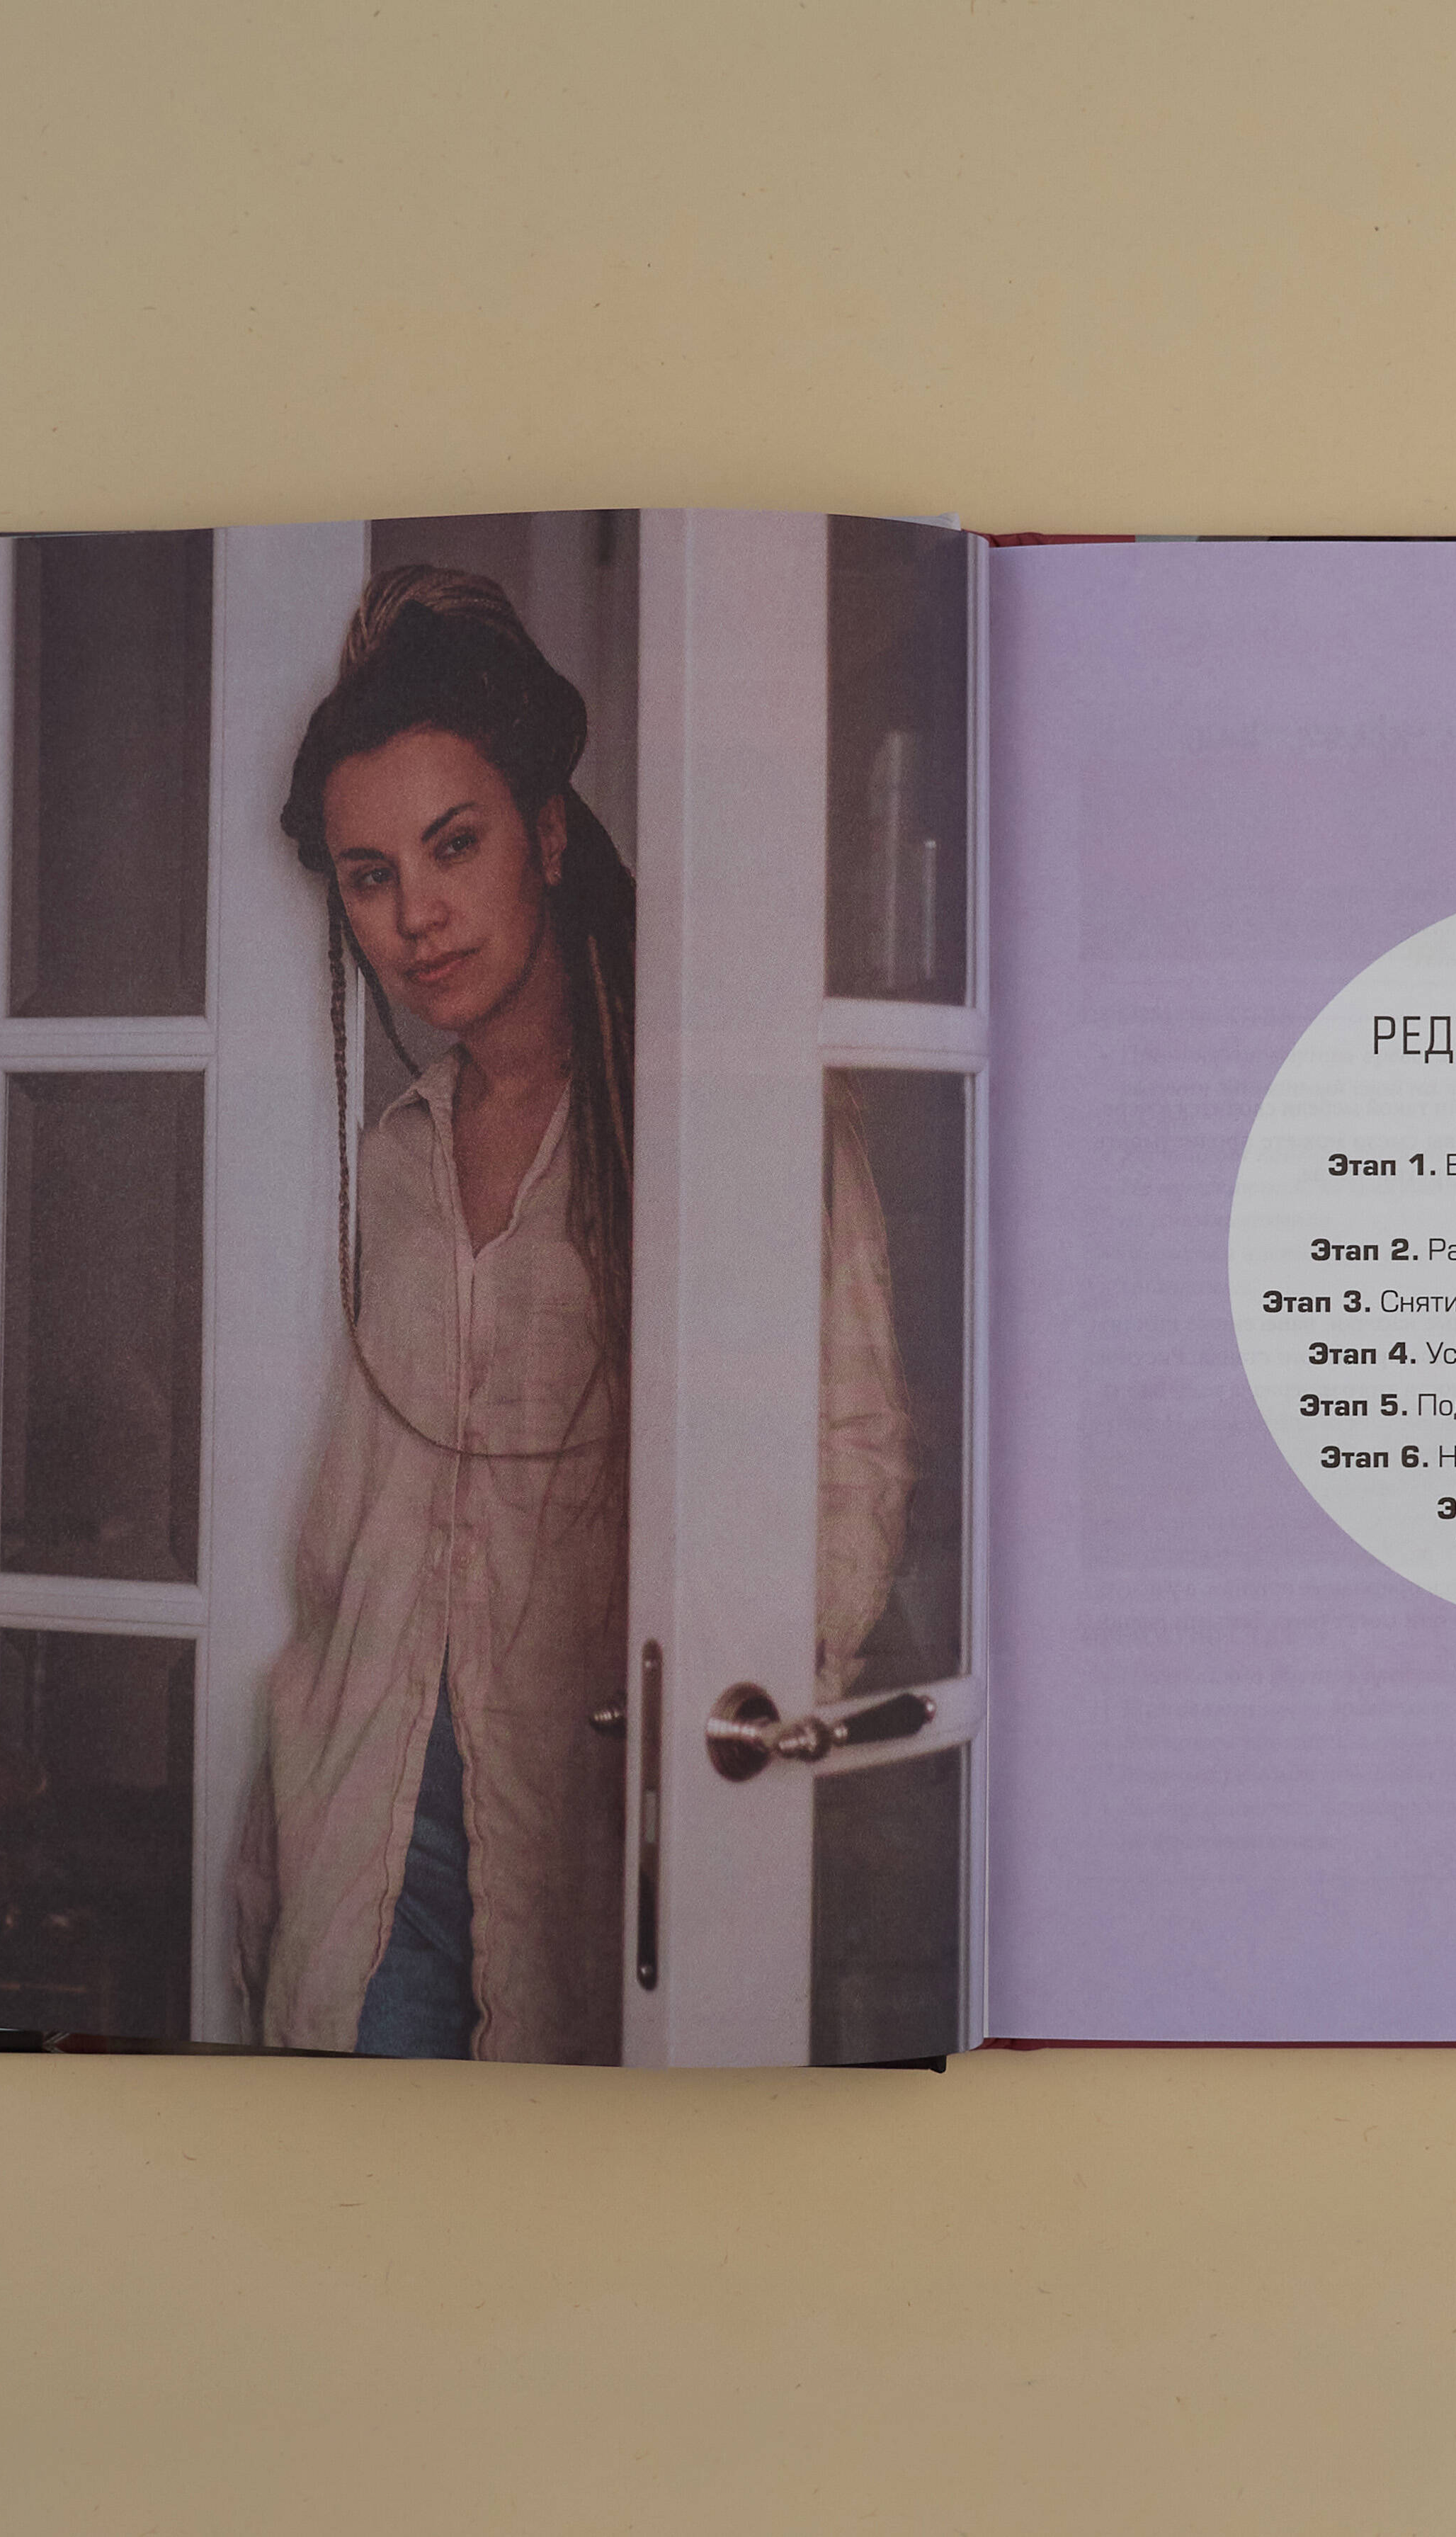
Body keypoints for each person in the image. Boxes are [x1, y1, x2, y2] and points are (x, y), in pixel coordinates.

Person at [231, 564, 911, 2062]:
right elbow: (352, 1527)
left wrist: (740, 1743)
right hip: (366, 1827)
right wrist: (279, 1823)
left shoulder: (721, 1125)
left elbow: (849, 1454)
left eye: (454, 845)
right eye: (369, 876)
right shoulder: (399, 1157)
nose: (417, 915)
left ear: (544, 834)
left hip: (601, 1842)